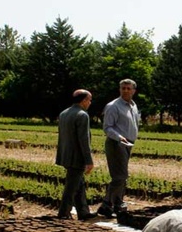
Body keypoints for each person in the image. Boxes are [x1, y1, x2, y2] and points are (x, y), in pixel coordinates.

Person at [97, 79, 141, 218]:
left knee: (122, 176)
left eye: (128, 88)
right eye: (123, 88)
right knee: (120, 176)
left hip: (128, 144)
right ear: (119, 89)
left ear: (134, 90)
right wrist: (119, 137)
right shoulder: (113, 106)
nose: (125, 90)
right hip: (117, 143)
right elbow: (107, 127)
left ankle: (117, 203)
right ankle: (106, 204)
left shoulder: (133, 105)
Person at [56, 89, 96, 220]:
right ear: (84, 100)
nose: (90, 103)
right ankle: (63, 213)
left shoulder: (64, 113)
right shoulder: (82, 115)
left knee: (79, 184)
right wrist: (89, 160)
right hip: (76, 157)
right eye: (89, 100)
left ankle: (83, 212)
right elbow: (84, 140)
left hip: (65, 154)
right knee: (71, 187)